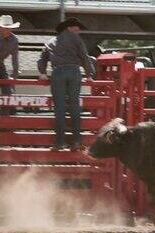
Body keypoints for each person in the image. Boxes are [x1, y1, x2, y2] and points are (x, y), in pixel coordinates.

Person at [38, 18, 95, 151]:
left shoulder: (50, 42)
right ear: (69, 28)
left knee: (59, 109)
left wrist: (42, 72)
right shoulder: (76, 39)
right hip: (74, 72)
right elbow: (84, 57)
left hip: (58, 73)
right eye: (77, 27)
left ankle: (60, 142)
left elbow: (42, 58)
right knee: (75, 107)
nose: (79, 30)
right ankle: (76, 141)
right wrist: (89, 74)